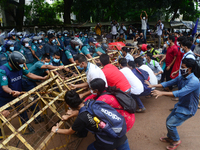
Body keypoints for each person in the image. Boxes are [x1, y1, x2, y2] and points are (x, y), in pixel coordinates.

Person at [52, 90, 130, 150]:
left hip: (108, 140)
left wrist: (57, 129)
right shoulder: (91, 102)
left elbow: (69, 131)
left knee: (90, 148)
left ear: (69, 105)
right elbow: (86, 112)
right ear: (79, 97)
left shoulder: (81, 118)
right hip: (120, 132)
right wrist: (71, 115)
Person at [148, 58, 200, 150]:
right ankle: (170, 137)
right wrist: (153, 85)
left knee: (170, 124)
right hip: (181, 105)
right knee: (169, 120)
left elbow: (180, 93)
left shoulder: (194, 81)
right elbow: (168, 83)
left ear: (190, 68)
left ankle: (176, 140)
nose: (180, 69)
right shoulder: (182, 77)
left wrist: (162, 93)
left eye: (183, 67)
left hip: (188, 109)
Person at [0, 51, 47, 132]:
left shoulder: (19, 67)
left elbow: (30, 75)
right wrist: (12, 92)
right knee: (4, 114)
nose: (22, 65)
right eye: (20, 64)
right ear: (13, 63)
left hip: (17, 94)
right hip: (4, 97)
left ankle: (26, 126)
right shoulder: (3, 71)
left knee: (22, 110)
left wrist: (42, 78)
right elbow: (5, 87)